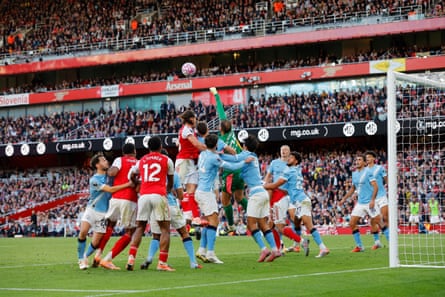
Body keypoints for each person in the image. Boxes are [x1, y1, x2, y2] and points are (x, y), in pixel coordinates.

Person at [221, 134, 281, 262]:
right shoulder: (253, 157)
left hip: (256, 194)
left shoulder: (245, 155)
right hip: (263, 193)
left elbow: (234, 158)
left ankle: (264, 249)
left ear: (245, 146)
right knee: (262, 224)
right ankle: (275, 250)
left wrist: (217, 156)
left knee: (250, 224)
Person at [194, 134, 251, 264]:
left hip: (200, 191)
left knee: (209, 222)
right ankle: (211, 253)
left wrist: (237, 157)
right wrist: (244, 162)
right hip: (206, 193)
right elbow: (230, 166)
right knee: (214, 222)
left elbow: (222, 156)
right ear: (215, 145)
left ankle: (202, 250)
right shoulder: (214, 158)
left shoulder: (203, 154)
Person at [140, 154, 202, 270]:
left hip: (155, 204)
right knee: (184, 233)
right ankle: (193, 262)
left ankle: (149, 257)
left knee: (156, 236)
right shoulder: (174, 175)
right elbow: (181, 196)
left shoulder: (150, 174)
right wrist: (175, 192)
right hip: (170, 205)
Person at [264, 151, 328, 258]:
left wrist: (263, 186)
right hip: (297, 201)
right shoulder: (297, 170)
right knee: (296, 223)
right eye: (289, 157)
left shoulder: (289, 171)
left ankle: (322, 248)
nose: (288, 159)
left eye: (291, 157)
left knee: (309, 225)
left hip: (301, 201)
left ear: (296, 161)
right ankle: (298, 243)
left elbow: (276, 184)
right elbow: (286, 188)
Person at [77, 153, 134, 270]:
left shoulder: (111, 178)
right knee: (83, 232)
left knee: (96, 242)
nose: (106, 161)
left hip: (104, 214)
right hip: (91, 210)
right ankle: (81, 260)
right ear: (97, 165)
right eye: (103, 160)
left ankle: (85, 256)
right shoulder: (94, 180)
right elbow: (110, 189)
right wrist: (128, 184)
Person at [126, 136, 175, 271]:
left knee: (140, 227)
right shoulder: (167, 160)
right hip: (158, 194)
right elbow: (170, 180)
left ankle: (131, 259)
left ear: (148, 148)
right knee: (164, 229)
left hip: (144, 195)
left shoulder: (142, 160)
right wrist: (168, 190)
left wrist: (136, 182)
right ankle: (162, 263)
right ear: (160, 147)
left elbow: (131, 175)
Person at [210, 87, 248, 231]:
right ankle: (256, 217)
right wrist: (216, 95)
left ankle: (231, 225)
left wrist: (215, 94)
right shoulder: (231, 133)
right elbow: (221, 113)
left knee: (225, 199)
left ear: (221, 129)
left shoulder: (221, 140)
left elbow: (220, 112)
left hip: (230, 172)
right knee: (239, 198)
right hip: (241, 170)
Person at [98, 142, 139, 270]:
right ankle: (107, 259)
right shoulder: (138, 163)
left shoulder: (119, 160)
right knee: (129, 232)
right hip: (129, 199)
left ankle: (98, 254)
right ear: (134, 152)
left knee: (110, 225)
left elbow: (112, 173)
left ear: (123, 153)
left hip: (115, 197)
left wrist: (108, 168)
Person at [264, 145, 306, 254]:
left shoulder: (291, 167)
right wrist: (265, 184)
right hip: (276, 194)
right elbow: (268, 176)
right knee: (272, 224)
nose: (283, 152)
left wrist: (263, 187)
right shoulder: (274, 163)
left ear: (289, 152)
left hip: (284, 195)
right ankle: (279, 247)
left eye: (286, 150)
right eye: (282, 150)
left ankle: (299, 241)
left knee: (284, 222)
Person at [340, 154, 382, 252]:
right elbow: (353, 188)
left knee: (375, 222)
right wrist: (344, 199)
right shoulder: (354, 174)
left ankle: (377, 242)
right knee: (352, 223)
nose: (357, 161)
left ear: (364, 162)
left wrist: (372, 200)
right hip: (360, 203)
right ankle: (360, 246)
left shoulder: (368, 172)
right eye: (356, 160)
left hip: (369, 202)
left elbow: (375, 187)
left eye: (359, 160)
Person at [175, 110, 206, 223]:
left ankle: (194, 217)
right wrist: (211, 150)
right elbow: (196, 144)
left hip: (190, 162)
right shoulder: (186, 130)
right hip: (184, 162)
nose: (196, 120)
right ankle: (176, 213)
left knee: (191, 190)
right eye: (195, 118)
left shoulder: (188, 130)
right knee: (180, 189)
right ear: (191, 119)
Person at [365, 150, 389, 249]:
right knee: (374, 220)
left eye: (369, 157)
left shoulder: (380, 168)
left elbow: (386, 179)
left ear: (374, 158)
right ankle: (377, 242)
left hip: (382, 196)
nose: (367, 159)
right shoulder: (364, 171)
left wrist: (390, 189)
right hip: (372, 199)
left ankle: (390, 240)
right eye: (366, 157)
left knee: (385, 217)